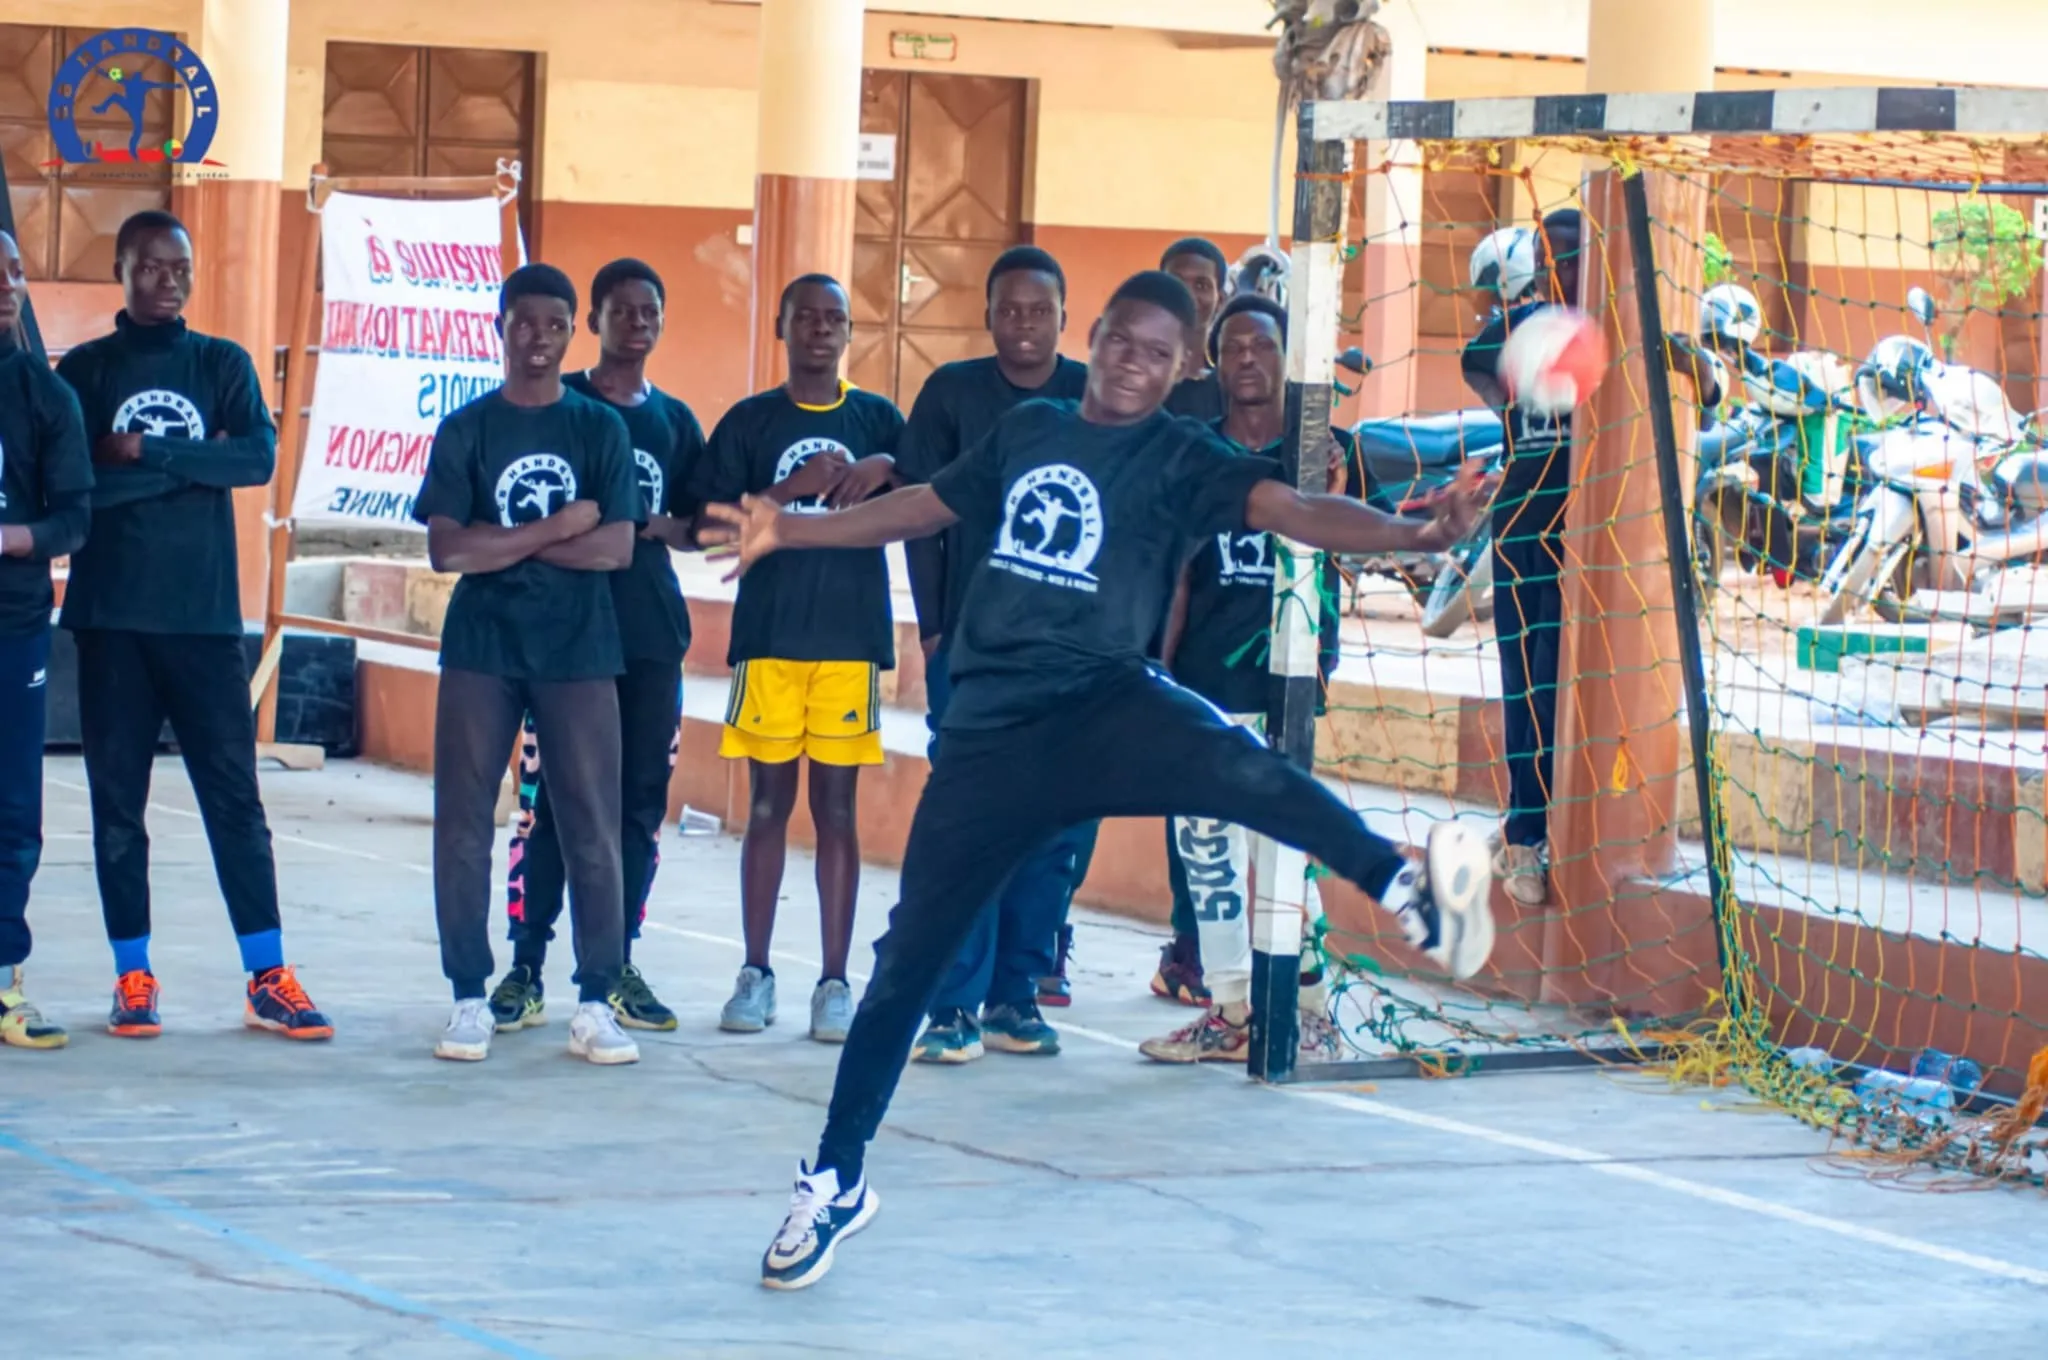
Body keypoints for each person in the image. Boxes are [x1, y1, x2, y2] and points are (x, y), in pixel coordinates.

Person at [703, 270, 1497, 1291]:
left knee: (1241, 768)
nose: (1132, 361)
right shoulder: (1028, 428)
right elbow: (919, 507)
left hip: (1105, 701)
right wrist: (793, 529)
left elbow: (1294, 508)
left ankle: (1401, 884)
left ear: (1180, 371)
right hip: (990, 735)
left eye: (1158, 353)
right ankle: (834, 1180)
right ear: (1099, 336)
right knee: (905, 964)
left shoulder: (1180, 454)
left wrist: (1412, 533)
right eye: (1122, 340)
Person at [58, 210, 331, 1040]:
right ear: (122, 269)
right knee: (117, 807)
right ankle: (132, 974)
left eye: (180, 267)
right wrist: (192, 468)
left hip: (207, 623)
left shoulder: (222, 362)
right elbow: (78, 487)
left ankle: (266, 972)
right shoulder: (85, 370)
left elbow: (254, 460)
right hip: (112, 623)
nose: (168, 281)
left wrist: (145, 453)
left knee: (235, 804)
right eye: (151, 267)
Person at [413, 262, 643, 1066]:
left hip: (579, 649)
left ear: (572, 329)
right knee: (464, 819)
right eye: (524, 322)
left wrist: (502, 543)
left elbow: (616, 548)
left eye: (554, 324)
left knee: (591, 822)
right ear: (500, 327)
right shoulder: (469, 428)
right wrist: (557, 527)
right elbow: (447, 549)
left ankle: (595, 1000)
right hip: (484, 647)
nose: (537, 338)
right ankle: (470, 996)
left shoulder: (598, 429)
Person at [487, 259, 706, 1036]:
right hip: (568, 641)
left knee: (637, 812)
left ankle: (612, 966)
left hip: (649, 636)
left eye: (651, 311)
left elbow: (698, 521)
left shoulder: (675, 421)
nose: (637, 322)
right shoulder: (564, 404)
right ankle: (524, 962)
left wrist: (641, 524)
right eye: (622, 310)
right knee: (553, 807)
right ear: (596, 321)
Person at [1141, 292, 1354, 1065]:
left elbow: (1343, 549)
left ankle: (1308, 1005)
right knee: (1207, 852)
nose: (1247, 360)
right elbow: (1178, 578)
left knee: (1285, 846)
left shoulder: (1317, 451)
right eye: (1232, 348)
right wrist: (1157, 678)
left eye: (1261, 346)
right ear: (1215, 361)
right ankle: (1228, 1009)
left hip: (1283, 687)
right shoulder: (1198, 453)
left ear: (1285, 357)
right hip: (1205, 687)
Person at [692, 275, 903, 1044]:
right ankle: (755, 974)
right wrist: (795, 486)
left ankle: (835, 984)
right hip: (770, 642)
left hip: (848, 644)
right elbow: (711, 532)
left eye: (835, 318)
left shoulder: (879, 417)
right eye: (805, 317)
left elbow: (923, 497)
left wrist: (880, 460)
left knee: (837, 813)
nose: (820, 329)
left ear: (851, 331)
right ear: (781, 326)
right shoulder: (751, 421)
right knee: (769, 810)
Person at [896, 246, 1093, 1065]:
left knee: (1051, 829)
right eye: (1008, 309)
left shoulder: (1091, 395)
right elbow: (920, 512)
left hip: (1077, 656)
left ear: (1063, 315)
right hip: (975, 652)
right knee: (973, 825)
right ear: (987, 316)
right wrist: (936, 629)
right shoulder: (951, 394)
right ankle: (952, 1007)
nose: (1023, 323)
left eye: (1038, 310)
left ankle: (1018, 996)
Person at [0, 229, 91, 1050]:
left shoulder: (43, 394)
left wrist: (11, 539)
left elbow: (75, 518)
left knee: (13, 811)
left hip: (14, 628)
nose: (5, 285)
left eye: (14, 271)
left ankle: (4, 982)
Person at [1160, 237, 1229, 423]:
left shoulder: (1231, 386)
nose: (1188, 295)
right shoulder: (1137, 378)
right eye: (1177, 282)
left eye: (1201, 285)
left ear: (1220, 301)